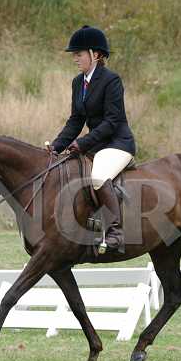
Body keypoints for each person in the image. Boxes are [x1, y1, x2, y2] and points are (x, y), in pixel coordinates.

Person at [50, 25, 137, 253]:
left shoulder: (111, 80)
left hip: (117, 144)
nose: (75, 59)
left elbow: (112, 121)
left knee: (98, 176)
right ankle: (88, 223)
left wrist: (82, 143)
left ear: (95, 54)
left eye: (79, 54)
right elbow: (76, 120)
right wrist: (56, 147)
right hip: (96, 145)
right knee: (68, 171)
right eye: (74, 54)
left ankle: (115, 232)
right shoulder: (78, 83)